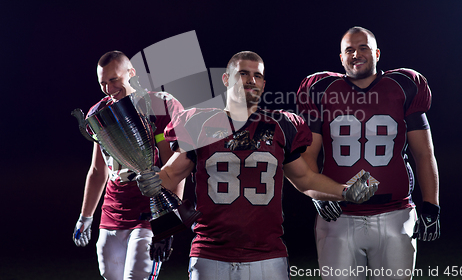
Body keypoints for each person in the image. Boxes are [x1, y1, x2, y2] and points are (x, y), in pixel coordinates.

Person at [136, 51, 378, 280]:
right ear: (225, 78)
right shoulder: (200, 123)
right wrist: (150, 179)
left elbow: (305, 179)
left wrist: (345, 191)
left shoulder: (280, 125)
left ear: (263, 83)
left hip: (267, 255)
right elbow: (170, 175)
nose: (251, 80)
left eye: (257, 75)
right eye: (243, 73)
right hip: (209, 255)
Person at [297, 27, 440, 280]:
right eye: (349, 49)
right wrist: (316, 194)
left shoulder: (403, 86)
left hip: (395, 214)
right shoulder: (320, 89)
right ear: (341, 58)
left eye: (363, 47)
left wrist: (431, 205)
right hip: (339, 216)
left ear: (377, 53)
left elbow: (424, 153)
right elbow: (309, 155)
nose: (356, 54)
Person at [72, 51, 185, 280]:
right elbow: (98, 170)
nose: (108, 88)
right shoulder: (98, 112)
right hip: (113, 210)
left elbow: (175, 168)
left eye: (114, 80)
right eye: (102, 83)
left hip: (150, 212)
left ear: (131, 74)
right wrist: (86, 217)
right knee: (109, 274)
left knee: (138, 276)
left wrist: (168, 223)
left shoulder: (157, 106)